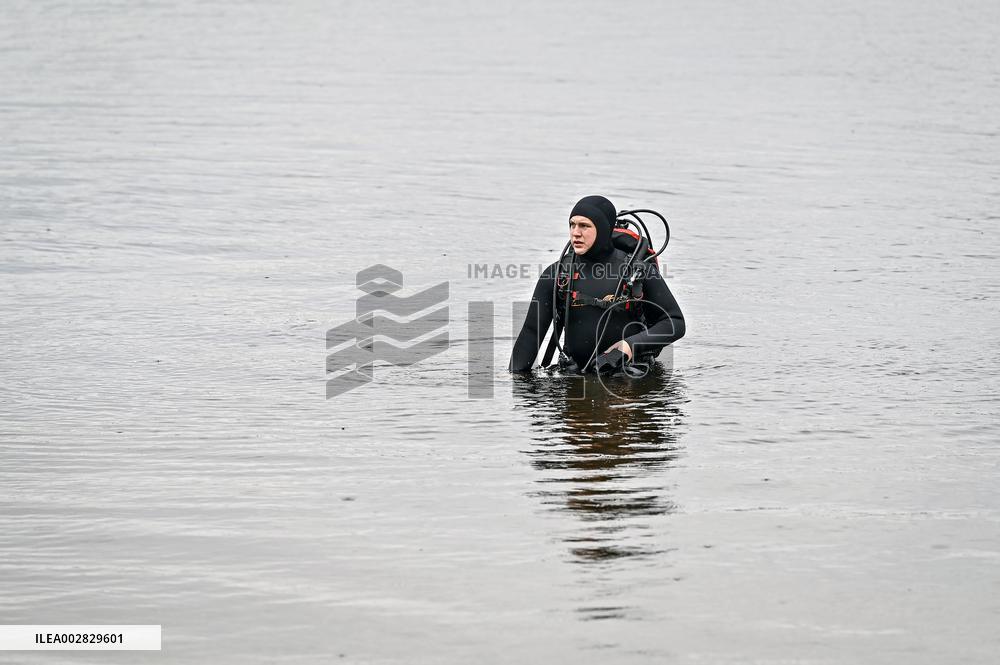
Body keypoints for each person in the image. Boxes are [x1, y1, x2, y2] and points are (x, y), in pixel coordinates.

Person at [509, 195, 685, 373]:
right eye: (572, 224)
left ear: (603, 229)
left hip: (629, 375)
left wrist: (630, 346)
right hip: (575, 376)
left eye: (584, 226)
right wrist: (513, 384)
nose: (575, 232)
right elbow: (531, 333)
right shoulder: (557, 274)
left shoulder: (637, 270)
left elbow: (675, 323)